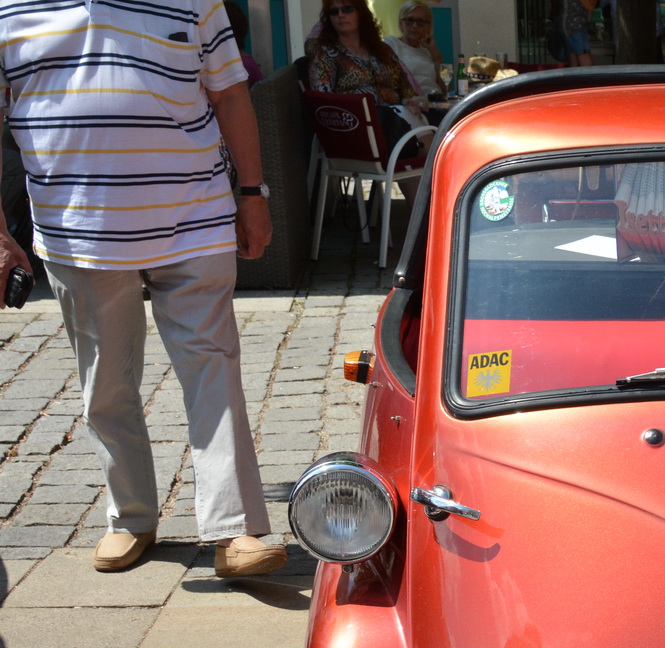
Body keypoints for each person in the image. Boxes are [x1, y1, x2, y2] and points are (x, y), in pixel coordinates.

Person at [0, 0, 284, 577]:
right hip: (77, 231)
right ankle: (131, 516)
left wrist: (253, 193)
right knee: (105, 379)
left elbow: (230, 93)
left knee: (213, 366)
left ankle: (235, 529)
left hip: (194, 218)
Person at [309, 0, 425, 137]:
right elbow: (324, 105)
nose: (340, 15)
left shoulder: (383, 50)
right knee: (429, 142)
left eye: (347, 9)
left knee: (440, 129)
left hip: (397, 118)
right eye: (334, 12)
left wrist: (411, 104)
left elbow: (406, 89)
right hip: (357, 127)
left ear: (360, 14)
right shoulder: (326, 55)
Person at [385, 1, 443, 103]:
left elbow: (444, 88)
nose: (415, 26)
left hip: (435, 101)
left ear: (428, 26)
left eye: (420, 22)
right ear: (401, 22)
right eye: (409, 20)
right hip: (411, 104)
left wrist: (435, 53)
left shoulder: (427, 51)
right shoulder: (392, 43)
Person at [563, 0, 598, 66]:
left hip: (572, 26)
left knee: (574, 63)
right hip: (576, 27)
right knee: (587, 64)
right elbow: (590, 7)